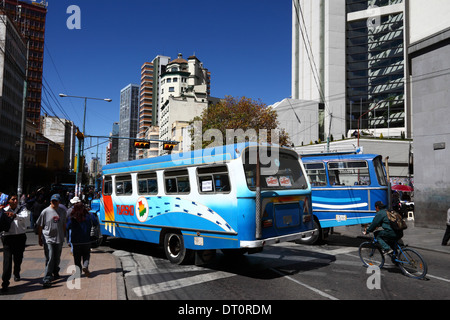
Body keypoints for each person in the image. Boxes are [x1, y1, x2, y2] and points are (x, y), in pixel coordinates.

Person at [0, 194, 30, 292]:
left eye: (16, 199)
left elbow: (26, 218)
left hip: (20, 237)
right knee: (7, 261)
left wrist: (15, 215)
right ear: (8, 200)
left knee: (18, 258)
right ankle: (5, 282)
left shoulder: (22, 209)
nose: (15, 201)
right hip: (8, 238)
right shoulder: (3, 210)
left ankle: (16, 272)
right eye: (13, 199)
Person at [36, 194, 67, 287]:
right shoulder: (45, 212)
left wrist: (63, 235)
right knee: (50, 257)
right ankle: (47, 278)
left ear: (59, 202)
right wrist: (40, 238)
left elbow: (64, 224)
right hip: (48, 238)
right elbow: (40, 226)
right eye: (52, 201)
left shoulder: (62, 211)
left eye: (56, 201)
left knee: (57, 258)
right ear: (50, 201)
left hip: (59, 238)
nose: (54, 202)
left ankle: (55, 271)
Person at [66, 200, 98, 277]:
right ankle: (85, 266)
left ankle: (78, 272)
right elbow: (96, 223)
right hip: (87, 240)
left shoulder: (72, 217)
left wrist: (68, 240)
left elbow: (67, 227)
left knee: (77, 257)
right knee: (86, 255)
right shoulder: (89, 215)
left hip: (75, 241)